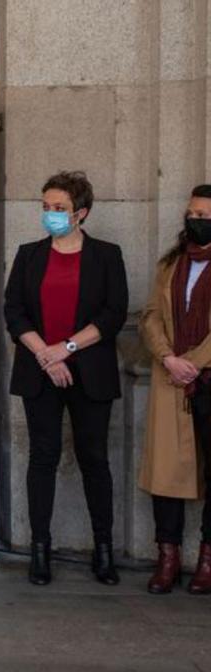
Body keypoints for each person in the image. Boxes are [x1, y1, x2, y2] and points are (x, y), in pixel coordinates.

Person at [4, 171, 127, 586]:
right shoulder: (29, 255)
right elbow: (14, 311)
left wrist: (67, 349)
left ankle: (103, 549)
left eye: (59, 208)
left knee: (94, 459)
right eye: (45, 207)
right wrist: (45, 353)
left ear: (81, 213)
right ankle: (40, 549)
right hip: (40, 371)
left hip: (89, 372)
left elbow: (113, 314)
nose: (50, 214)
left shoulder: (107, 255)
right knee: (43, 457)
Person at [139, 184, 211, 594]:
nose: (195, 220)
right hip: (172, 378)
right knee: (166, 471)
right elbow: (150, 316)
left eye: (203, 215)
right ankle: (167, 557)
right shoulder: (171, 264)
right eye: (192, 213)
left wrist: (194, 363)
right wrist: (169, 358)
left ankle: (207, 559)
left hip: (204, 377)